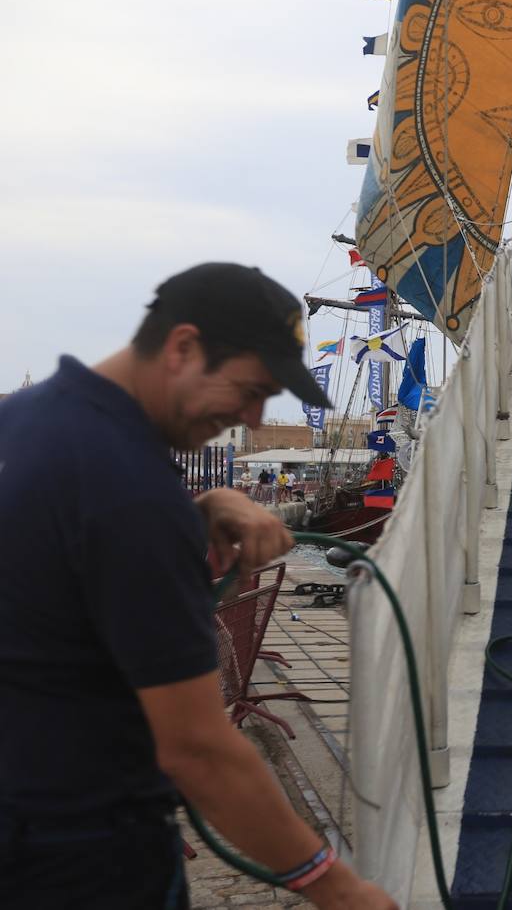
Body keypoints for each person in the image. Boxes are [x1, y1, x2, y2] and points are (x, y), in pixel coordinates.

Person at [0, 263, 395, 909]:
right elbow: (198, 749)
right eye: (249, 389)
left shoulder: (31, 419)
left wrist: (193, 513)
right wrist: (341, 888)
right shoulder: (127, 491)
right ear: (182, 347)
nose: (255, 414)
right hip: (78, 858)